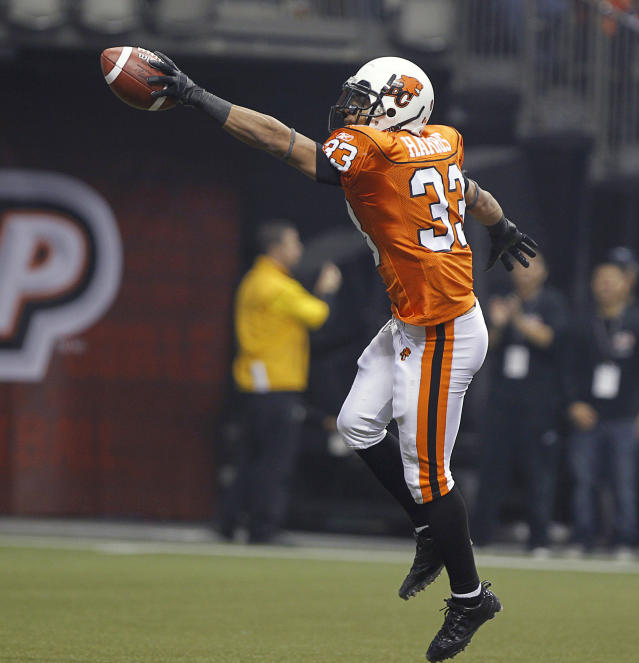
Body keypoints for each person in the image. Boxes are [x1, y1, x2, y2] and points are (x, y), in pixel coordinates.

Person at [145, 53, 536, 662]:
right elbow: (473, 191)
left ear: (400, 104)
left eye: (366, 99)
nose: (352, 109)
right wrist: (503, 224)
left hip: (444, 332)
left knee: (429, 474)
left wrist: (197, 97)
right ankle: (434, 528)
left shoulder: (375, 148)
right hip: (415, 322)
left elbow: (285, 144)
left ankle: (470, 595)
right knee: (357, 424)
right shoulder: (445, 140)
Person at [220, 220, 342, 544]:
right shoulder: (274, 286)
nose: (298, 249)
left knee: (250, 459)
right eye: (294, 243)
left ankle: (228, 521)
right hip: (276, 384)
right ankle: (263, 527)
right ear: (277, 248)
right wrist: (327, 289)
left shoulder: (253, 280)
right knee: (275, 461)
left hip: (254, 384)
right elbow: (317, 315)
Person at [564, 247, 639, 557]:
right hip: (588, 412)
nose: (605, 284)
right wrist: (573, 403)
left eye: (612, 278)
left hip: (626, 414)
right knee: (584, 479)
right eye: (600, 278)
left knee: (624, 480)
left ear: (626, 282)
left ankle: (624, 539)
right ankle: (584, 537)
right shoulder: (582, 319)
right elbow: (568, 367)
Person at [470, 254, 569, 555]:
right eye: (520, 266)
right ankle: (480, 536)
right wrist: (498, 324)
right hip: (503, 401)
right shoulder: (502, 300)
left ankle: (539, 539)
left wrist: (515, 318)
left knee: (538, 472)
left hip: (538, 402)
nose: (525, 273)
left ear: (544, 271)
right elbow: (487, 345)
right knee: (492, 470)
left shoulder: (552, 303)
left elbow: (549, 339)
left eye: (532, 266)